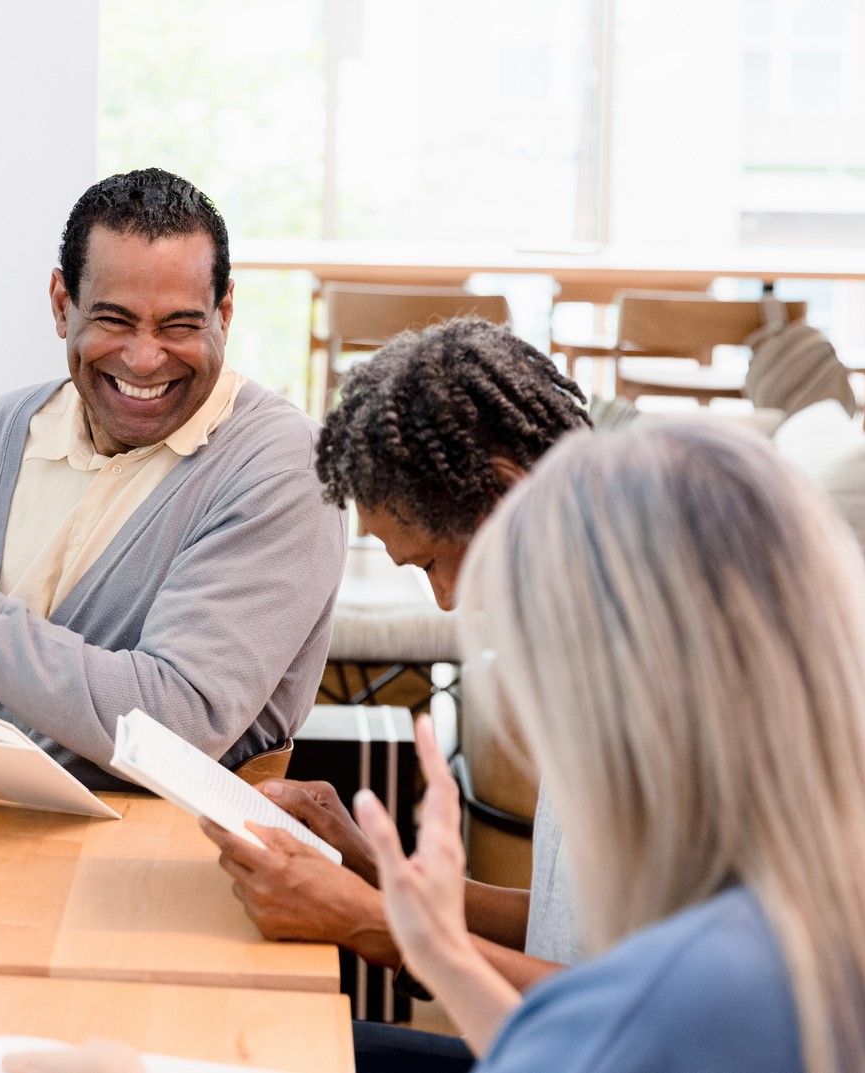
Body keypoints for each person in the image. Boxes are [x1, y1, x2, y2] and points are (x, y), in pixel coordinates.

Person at [12, 421, 865, 1073]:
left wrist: (369, 921)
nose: (455, 605)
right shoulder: (823, 871)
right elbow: (601, 992)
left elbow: (618, 1009)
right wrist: (392, 889)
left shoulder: (716, 973)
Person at [0, 168, 346, 791]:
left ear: (223, 314)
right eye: (114, 319)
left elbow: (175, 726)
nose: (144, 358)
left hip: (160, 851)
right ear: (62, 305)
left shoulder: (284, 465)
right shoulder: (5, 432)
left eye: (179, 326)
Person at [201, 319, 591, 1072]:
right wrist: (368, 866)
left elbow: (639, 1015)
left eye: (437, 561)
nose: (444, 600)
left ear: (506, 491)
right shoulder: (586, 644)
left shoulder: (669, 686)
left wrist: (370, 922)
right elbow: (570, 935)